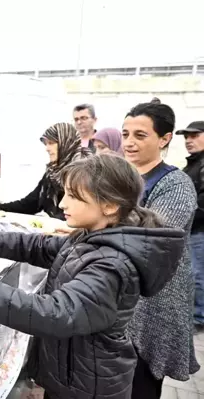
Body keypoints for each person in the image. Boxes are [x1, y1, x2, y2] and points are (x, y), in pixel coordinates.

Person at [0, 154, 186, 398]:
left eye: (73, 196)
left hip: (87, 386)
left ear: (108, 205)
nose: (62, 204)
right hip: (72, 373)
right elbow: (37, 246)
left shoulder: (111, 265)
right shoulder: (90, 237)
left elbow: (55, 313)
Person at [122, 101, 199, 397]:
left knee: (142, 381)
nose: (129, 142)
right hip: (125, 295)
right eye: (126, 133)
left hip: (156, 298)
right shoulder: (125, 178)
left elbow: (154, 239)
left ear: (164, 139)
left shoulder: (175, 184)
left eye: (140, 135)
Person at [0, 122, 92, 220]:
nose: (47, 148)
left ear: (67, 143)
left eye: (51, 143)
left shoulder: (85, 172)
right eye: (46, 144)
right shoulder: (52, 173)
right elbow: (30, 204)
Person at [176, 121, 204, 328]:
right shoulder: (192, 165)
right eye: (186, 137)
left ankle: (199, 317)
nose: (188, 140)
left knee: (197, 275)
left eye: (194, 136)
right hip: (192, 230)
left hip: (199, 230)